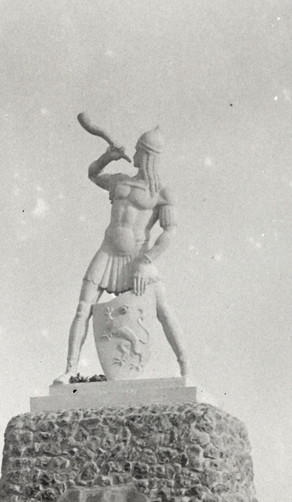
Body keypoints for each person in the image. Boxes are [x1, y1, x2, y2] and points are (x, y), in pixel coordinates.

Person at [55, 126, 190, 384]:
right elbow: (93, 174)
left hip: (138, 258)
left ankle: (186, 367)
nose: (135, 153)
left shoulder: (162, 193)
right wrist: (109, 156)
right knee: (83, 309)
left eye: (139, 149)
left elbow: (170, 231)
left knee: (162, 309)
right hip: (107, 252)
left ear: (147, 155)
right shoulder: (119, 181)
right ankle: (70, 369)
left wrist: (146, 261)